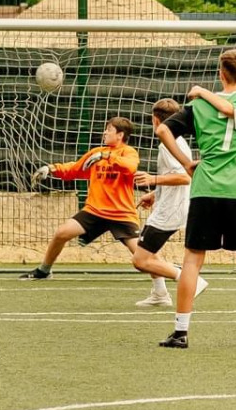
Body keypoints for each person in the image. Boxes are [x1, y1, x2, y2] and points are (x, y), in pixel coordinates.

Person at [152, 49, 236, 349]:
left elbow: (163, 129)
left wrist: (186, 163)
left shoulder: (199, 106)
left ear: (221, 74)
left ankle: (180, 332)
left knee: (192, 261)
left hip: (205, 189)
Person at [18, 116, 181, 290]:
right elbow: (75, 169)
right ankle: (44, 270)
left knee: (143, 256)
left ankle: (166, 283)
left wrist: (107, 156)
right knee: (62, 233)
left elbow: (130, 167)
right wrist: (52, 169)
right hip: (94, 211)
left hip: (121, 214)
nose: (104, 133)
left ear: (120, 135)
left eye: (109, 130)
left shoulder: (128, 152)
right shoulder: (97, 152)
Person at [131, 99, 205, 309]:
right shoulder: (176, 140)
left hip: (170, 211)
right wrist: (155, 194)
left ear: (155, 120)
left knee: (140, 260)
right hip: (170, 206)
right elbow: (175, 175)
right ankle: (160, 294)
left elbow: (184, 177)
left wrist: (152, 179)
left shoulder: (167, 145)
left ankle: (189, 279)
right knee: (150, 251)